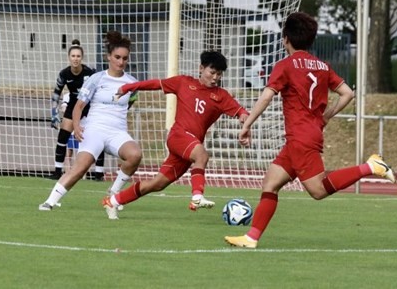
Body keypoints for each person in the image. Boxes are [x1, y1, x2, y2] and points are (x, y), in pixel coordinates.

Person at [224, 12, 396, 249]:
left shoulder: (285, 65)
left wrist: (247, 124)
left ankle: (371, 166)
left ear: (285, 39)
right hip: (306, 134)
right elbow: (348, 93)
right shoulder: (322, 66)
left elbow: (266, 97)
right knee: (271, 183)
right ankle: (251, 237)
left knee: (318, 190)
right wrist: (326, 116)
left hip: (300, 137)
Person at [102, 50, 250, 220]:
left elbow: (242, 112)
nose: (215, 77)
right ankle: (197, 196)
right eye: (212, 72)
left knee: (157, 184)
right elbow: (156, 84)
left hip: (189, 147)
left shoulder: (222, 96)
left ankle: (112, 201)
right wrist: (128, 87)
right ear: (201, 68)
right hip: (178, 136)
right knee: (202, 155)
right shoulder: (183, 82)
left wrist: (246, 124)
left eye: (219, 74)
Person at [39, 31, 142, 211]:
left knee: (135, 155)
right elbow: (78, 106)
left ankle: (113, 193)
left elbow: (129, 103)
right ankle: (50, 201)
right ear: (108, 57)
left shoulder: (132, 83)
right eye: (117, 57)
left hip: (117, 132)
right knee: (80, 168)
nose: (121, 62)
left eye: (125, 58)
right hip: (94, 130)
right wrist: (77, 127)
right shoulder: (96, 78)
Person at [47, 39, 106, 181]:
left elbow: (100, 88)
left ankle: (99, 173)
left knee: (96, 138)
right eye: (73, 56)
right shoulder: (64, 74)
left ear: (82, 58)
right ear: (69, 57)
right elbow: (56, 93)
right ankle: (57, 171)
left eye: (78, 56)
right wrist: (54, 113)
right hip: (73, 106)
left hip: (88, 107)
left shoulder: (90, 72)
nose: (75, 59)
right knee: (62, 137)